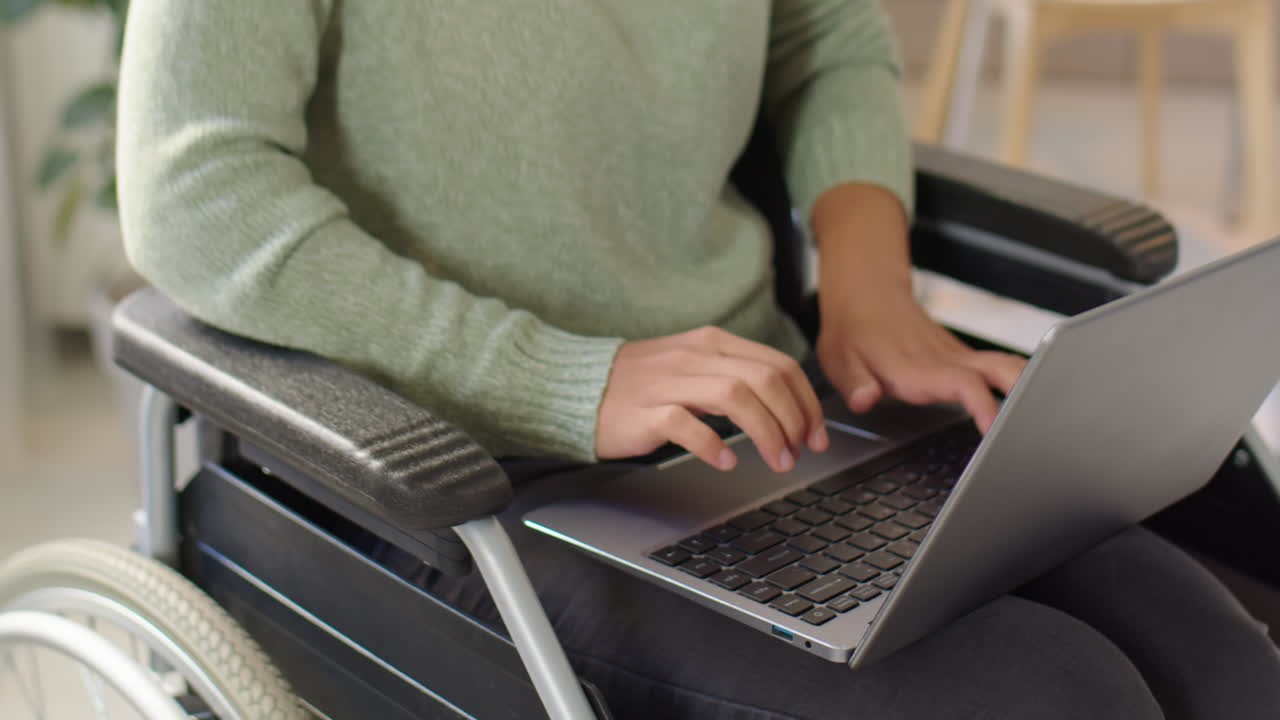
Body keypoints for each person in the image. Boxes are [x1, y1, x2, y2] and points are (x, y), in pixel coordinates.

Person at [116, 1, 1280, 717]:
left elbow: (825, 39)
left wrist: (867, 292)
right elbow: (190, 191)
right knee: (1044, 699)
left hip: (760, 415)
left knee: (1222, 663)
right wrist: (564, 378)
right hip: (446, 470)